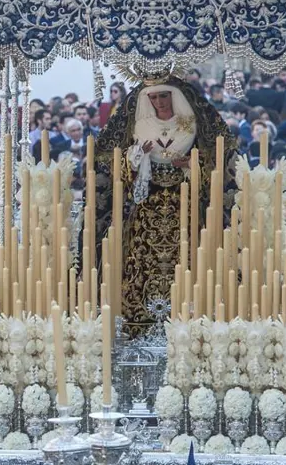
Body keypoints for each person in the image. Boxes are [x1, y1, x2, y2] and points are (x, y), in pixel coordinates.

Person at [93, 76, 235, 338]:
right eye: (153, 97)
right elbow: (119, 168)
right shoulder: (141, 127)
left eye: (163, 96)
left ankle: (190, 318)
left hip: (186, 207)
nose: (158, 102)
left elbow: (215, 165)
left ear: (173, 97)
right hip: (147, 206)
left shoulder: (189, 125)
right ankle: (139, 320)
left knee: (190, 255)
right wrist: (138, 156)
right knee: (138, 258)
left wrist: (191, 165)